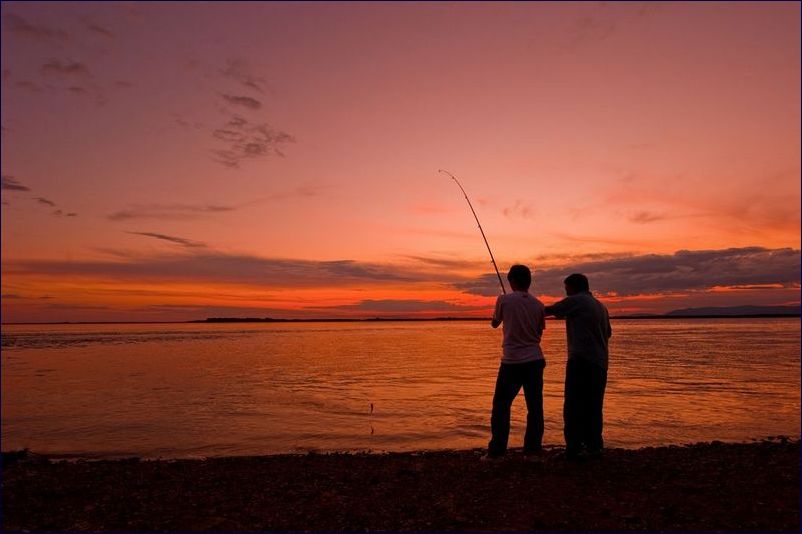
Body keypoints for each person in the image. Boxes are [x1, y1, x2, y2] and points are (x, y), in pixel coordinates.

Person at [545, 273, 611, 460]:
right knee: (594, 406)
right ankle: (594, 446)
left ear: (572, 287)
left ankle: (573, 448)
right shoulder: (601, 306)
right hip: (600, 363)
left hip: (581, 361)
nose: (566, 292)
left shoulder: (576, 301)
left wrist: (523, 308)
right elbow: (609, 333)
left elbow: (548, 310)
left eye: (566, 288)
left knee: (573, 406)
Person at [484, 264, 547, 460]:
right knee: (534, 406)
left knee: (501, 405)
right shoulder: (539, 305)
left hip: (511, 362)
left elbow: (495, 323)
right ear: (528, 282)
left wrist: (501, 315)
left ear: (511, 281)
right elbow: (538, 333)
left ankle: (497, 451)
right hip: (535, 360)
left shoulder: (503, 299)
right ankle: (533, 450)